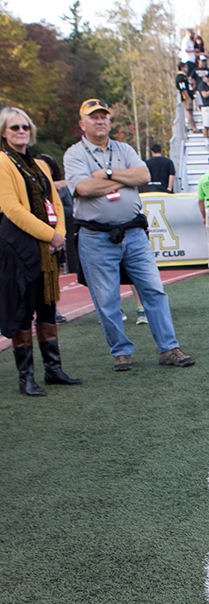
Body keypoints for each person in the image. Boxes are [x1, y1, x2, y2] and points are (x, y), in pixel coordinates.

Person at [63, 99, 195, 371]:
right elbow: (85, 188)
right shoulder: (74, 154)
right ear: (82, 124)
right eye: (94, 117)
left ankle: (169, 348)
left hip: (133, 233)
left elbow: (144, 175)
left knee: (154, 291)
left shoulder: (124, 148)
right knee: (106, 299)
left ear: (110, 122)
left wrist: (108, 173)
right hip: (96, 236)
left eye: (104, 117)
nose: (100, 121)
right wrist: (124, 178)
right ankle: (121, 352)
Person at [0, 107, 81, 395]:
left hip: (47, 246)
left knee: (47, 306)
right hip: (20, 247)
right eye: (14, 128)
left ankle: (53, 370)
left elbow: (55, 203)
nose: (21, 131)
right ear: (3, 132)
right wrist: (50, 235)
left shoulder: (40, 165)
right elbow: (11, 209)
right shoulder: (2, 162)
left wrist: (56, 234)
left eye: (24, 127)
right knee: (24, 310)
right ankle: (26, 378)